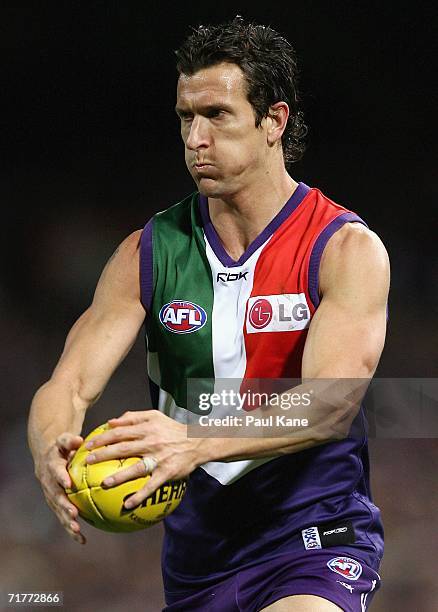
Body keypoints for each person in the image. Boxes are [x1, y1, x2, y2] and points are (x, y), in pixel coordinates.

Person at [28, 16, 390, 612]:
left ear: (274, 121)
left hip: (312, 535)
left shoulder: (344, 249)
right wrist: (47, 447)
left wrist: (194, 440)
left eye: (216, 115)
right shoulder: (148, 251)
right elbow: (67, 383)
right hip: (200, 557)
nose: (195, 138)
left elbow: (331, 401)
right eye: (185, 118)